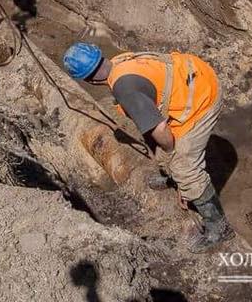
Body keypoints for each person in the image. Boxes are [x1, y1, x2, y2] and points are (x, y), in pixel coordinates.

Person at [62, 42, 233, 252]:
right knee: (161, 146)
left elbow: (161, 130)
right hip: (195, 75)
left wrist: (172, 155)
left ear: (88, 80)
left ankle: (220, 228)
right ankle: (175, 178)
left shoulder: (125, 89)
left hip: (203, 98)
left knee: (184, 167)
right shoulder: (120, 62)